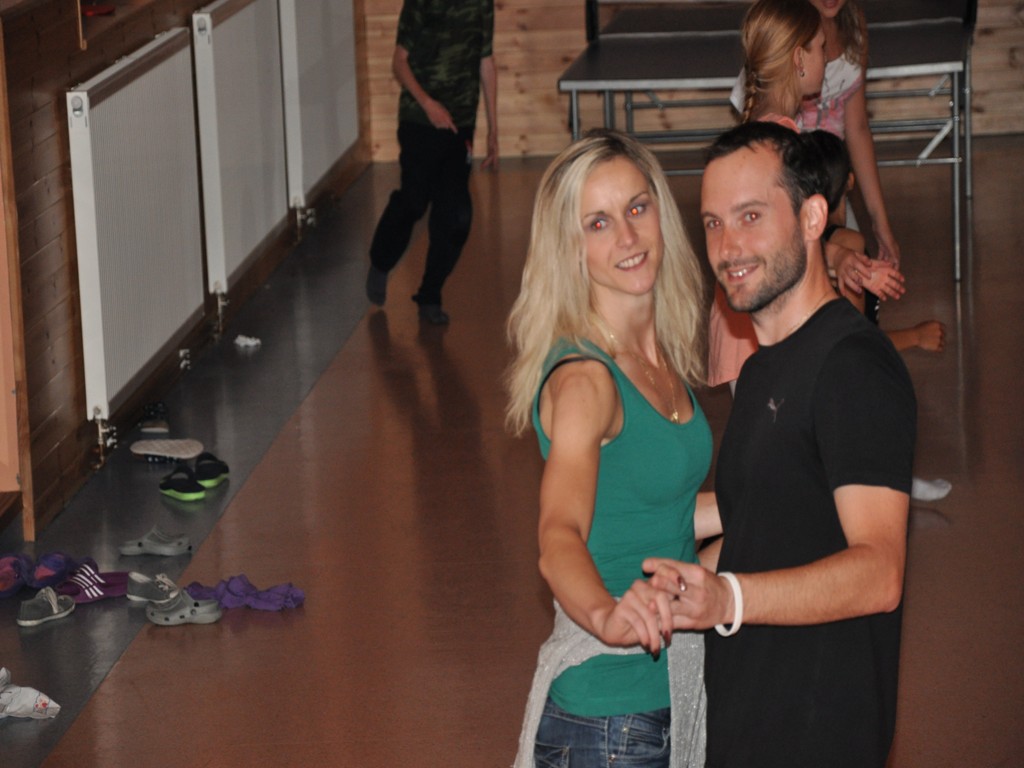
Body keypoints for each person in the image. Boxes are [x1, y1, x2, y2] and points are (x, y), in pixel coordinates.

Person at [645, 120, 916, 768]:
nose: (728, 246)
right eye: (713, 223)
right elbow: (762, 514)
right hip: (750, 714)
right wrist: (645, 545)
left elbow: (880, 572)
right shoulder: (766, 366)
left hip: (817, 731)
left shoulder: (853, 368)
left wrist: (728, 599)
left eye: (751, 216)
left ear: (813, 216)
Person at [506, 130, 715, 767]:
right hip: (608, 725)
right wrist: (604, 615)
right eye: (598, 223)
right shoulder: (585, 381)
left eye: (636, 208)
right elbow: (559, 533)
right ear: (571, 250)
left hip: (659, 699)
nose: (627, 236)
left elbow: (656, 511)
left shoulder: (657, 359)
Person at [364, 0, 498, 325]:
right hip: (420, 120)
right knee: (414, 200)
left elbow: (486, 61)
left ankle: (430, 294)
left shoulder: (483, 4)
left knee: (457, 215)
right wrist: (428, 104)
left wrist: (494, 128)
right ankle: (381, 260)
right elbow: (399, 62)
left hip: (459, 126)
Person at [804, 128, 946, 351]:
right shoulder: (848, 243)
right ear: (850, 180)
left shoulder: (808, 242)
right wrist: (915, 336)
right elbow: (853, 344)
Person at [799, 0, 900, 265]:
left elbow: (857, 127)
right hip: (794, 184)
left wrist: (880, 222)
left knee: (855, 258)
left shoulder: (853, 23)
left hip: (832, 182)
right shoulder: (786, 26)